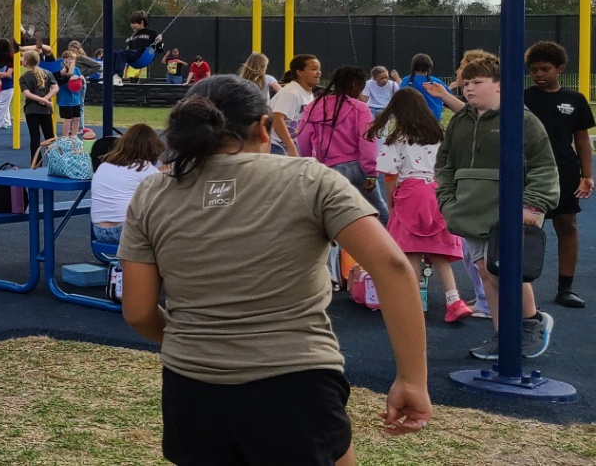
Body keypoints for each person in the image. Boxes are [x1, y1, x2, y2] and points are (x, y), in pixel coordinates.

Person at [118, 75, 431, 464]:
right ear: (264, 127)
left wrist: (196, 342)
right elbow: (394, 267)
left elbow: (137, 310)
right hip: (296, 382)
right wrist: (412, 380)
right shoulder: (308, 179)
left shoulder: (153, 193)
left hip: (191, 388)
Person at [434, 55, 561, 359]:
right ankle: (503, 333)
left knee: (508, 270)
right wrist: (448, 202)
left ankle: (530, 323)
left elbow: (544, 166)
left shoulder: (521, 119)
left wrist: (533, 204)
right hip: (470, 210)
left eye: (477, 83)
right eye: (466, 84)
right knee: (484, 270)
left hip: (513, 209)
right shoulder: (461, 121)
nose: (469, 89)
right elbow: (446, 163)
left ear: (500, 86)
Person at [370, 88, 473, 323]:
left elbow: (389, 176)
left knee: (411, 250)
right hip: (435, 192)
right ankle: (454, 299)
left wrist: (392, 202)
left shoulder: (396, 139)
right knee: (439, 251)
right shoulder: (437, 134)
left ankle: (413, 303)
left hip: (410, 193)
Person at [522, 41, 594, 309]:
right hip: (530, 173)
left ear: (560, 68)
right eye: (534, 70)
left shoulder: (575, 100)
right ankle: (523, 291)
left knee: (568, 226)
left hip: (564, 171)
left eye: (545, 69)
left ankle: (566, 288)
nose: (538, 75)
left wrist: (587, 175)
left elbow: (582, 140)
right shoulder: (523, 98)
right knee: (527, 229)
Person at [297, 65, 383, 219]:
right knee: (378, 213)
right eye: (360, 90)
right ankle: (390, 242)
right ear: (354, 86)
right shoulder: (360, 108)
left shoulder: (314, 106)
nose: (360, 95)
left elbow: (303, 140)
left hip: (330, 169)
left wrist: (310, 163)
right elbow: (367, 140)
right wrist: (371, 172)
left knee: (334, 217)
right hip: (359, 168)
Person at [89, 123, 164, 245]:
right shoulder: (144, 168)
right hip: (126, 231)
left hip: (99, 230)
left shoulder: (104, 165)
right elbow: (165, 190)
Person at [268, 53, 320, 156]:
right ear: (299, 72)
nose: (318, 73)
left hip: (287, 144)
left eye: (319, 69)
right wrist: (290, 146)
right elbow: (277, 118)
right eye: (314, 69)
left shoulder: (307, 93)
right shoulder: (292, 92)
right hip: (276, 145)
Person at [18, 50, 57, 161]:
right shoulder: (47, 73)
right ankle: (55, 161)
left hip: (32, 110)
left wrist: (42, 99)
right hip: (45, 110)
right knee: (50, 137)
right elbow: (55, 88)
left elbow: (27, 93)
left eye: (22, 59)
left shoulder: (24, 77)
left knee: (35, 137)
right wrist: (45, 99)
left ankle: (35, 162)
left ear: (26, 61)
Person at [402, 53, 453, 120]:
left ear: (413, 66)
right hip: (433, 117)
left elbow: (401, 98)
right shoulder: (436, 81)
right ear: (429, 66)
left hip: (412, 118)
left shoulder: (406, 80)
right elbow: (448, 96)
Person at [54, 54, 86, 139]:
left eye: (71, 60)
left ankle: (74, 137)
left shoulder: (76, 69)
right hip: (65, 99)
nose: (69, 62)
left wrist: (82, 79)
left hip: (76, 98)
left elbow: (81, 82)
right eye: (67, 60)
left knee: (77, 118)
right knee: (68, 119)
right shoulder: (60, 71)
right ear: (63, 61)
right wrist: (69, 79)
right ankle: (65, 137)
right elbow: (58, 83)